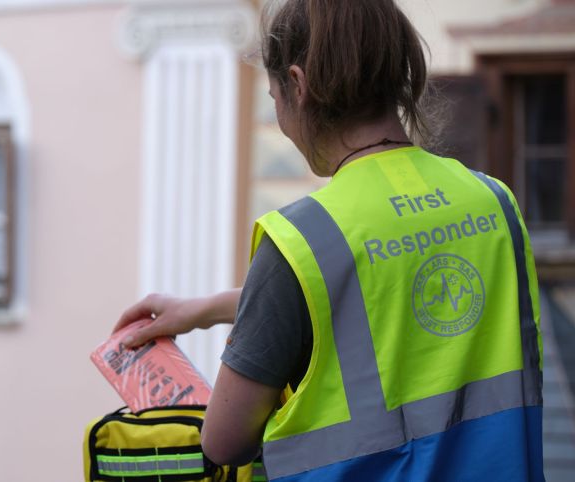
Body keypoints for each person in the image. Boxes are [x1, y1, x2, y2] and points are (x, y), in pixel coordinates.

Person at [113, 0, 544, 480]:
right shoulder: (494, 203)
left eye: (275, 97)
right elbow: (376, 300)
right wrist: (209, 307)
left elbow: (224, 440)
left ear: (298, 85)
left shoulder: (304, 236)